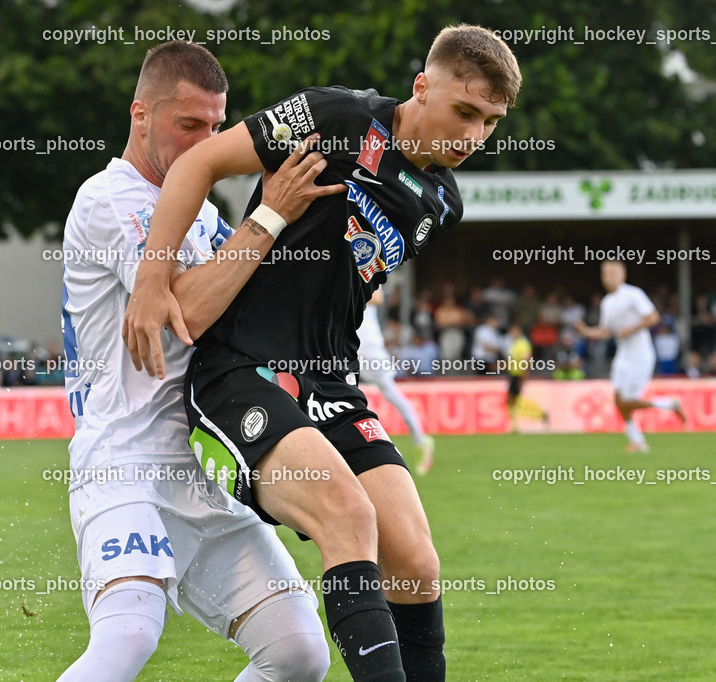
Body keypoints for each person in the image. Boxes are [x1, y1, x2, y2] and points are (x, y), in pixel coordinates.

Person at [125, 24, 522, 681]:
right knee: (348, 516)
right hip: (242, 370)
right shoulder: (336, 117)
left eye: (490, 123)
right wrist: (152, 276)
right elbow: (199, 164)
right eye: (464, 111)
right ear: (422, 87)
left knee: (417, 564)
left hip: (332, 384)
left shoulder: (442, 203)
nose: (474, 135)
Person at [58, 41, 342, 681]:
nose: (205, 144)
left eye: (216, 128)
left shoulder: (202, 214)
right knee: (128, 634)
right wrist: (270, 216)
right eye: (188, 124)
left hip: (209, 467)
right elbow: (187, 310)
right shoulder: (111, 198)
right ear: (140, 115)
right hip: (128, 462)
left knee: (298, 653)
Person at [575, 261, 685, 452]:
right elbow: (606, 331)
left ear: (623, 275)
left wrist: (631, 329)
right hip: (623, 355)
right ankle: (637, 441)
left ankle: (669, 405)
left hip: (641, 355)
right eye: (605, 274)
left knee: (628, 402)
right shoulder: (607, 302)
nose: (609, 277)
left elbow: (653, 317)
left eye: (613, 273)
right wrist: (587, 331)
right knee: (619, 402)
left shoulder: (633, 294)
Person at [357, 289, 435, 474]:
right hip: (348, 346)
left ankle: (420, 439)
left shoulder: (362, 273)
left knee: (390, 393)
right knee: (348, 391)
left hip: (369, 347)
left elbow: (377, 297)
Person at [503, 323, 547, 431]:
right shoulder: (514, 343)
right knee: (512, 399)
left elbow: (526, 360)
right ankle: (514, 423)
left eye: (514, 331)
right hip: (513, 374)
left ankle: (540, 415)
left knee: (516, 399)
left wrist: (524, 374)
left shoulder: (523, 343)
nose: (512, 334)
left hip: (519, 374)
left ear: (519, 332)